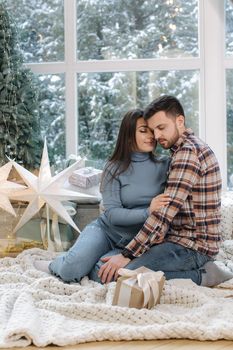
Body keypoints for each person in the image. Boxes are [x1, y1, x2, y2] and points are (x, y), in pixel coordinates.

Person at [98, 95, 233, 287]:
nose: (156, 136)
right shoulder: (185, 149)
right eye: (153, 130)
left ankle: (205, 276)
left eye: (161, 128)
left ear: (180, 121)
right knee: (117, 269)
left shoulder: (187, 155)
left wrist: (127, 254)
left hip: (192, 247)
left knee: (123, 277)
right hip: (177, 240)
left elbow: (163, 215)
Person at [35, 108, 171, 283]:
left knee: (106, 274)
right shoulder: (113, 166)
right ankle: (55, 264)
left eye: (152, 131)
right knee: (70, 270)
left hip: (138, 241)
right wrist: (148, 211)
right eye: (143, 130)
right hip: (106, 231)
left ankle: (86, 264)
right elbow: (113, 214)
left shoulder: (165, 164)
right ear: (129, 134)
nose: (151, 135)